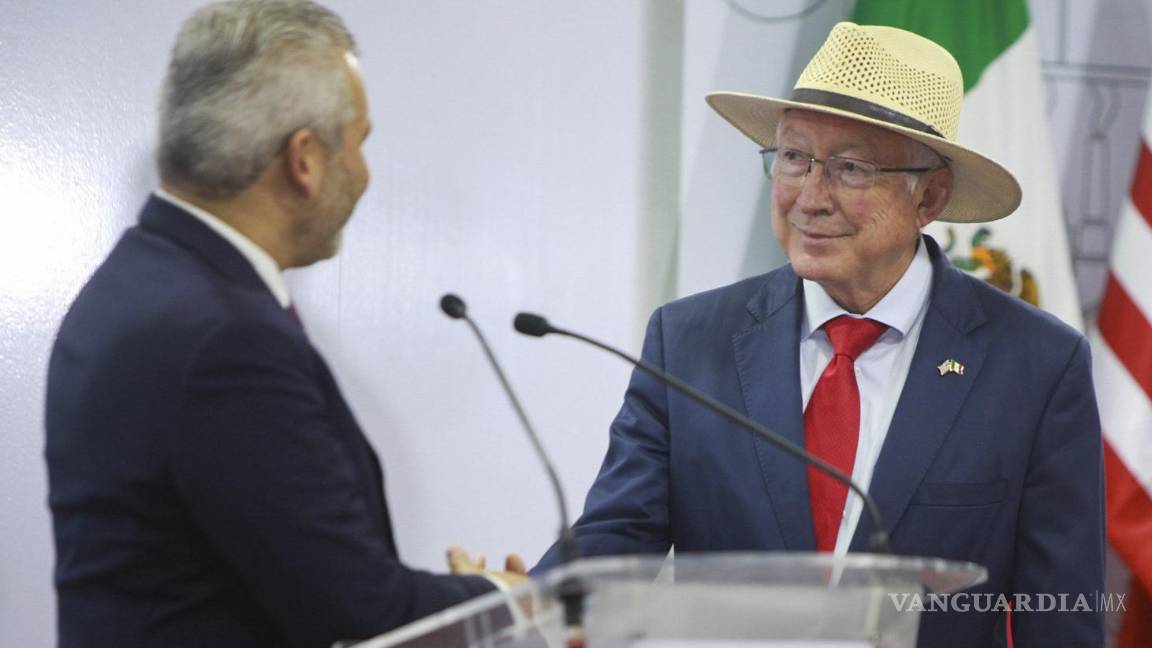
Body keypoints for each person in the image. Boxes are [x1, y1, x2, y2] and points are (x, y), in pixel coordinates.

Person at [535, 22, 1104, 647]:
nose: (809, 197)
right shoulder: (690, 340)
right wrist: (503, 606)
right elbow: (611, 547)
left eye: (851, 168)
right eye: (794, 158)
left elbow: (1064, 617)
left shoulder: (1035, 364)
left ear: (930, 197)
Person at [45, 2, 523, 646]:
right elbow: (358, 609)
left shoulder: (135, 282)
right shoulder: (225, 338)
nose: (364, 173)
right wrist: (505, 599)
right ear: (305, 160)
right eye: (360, 142)